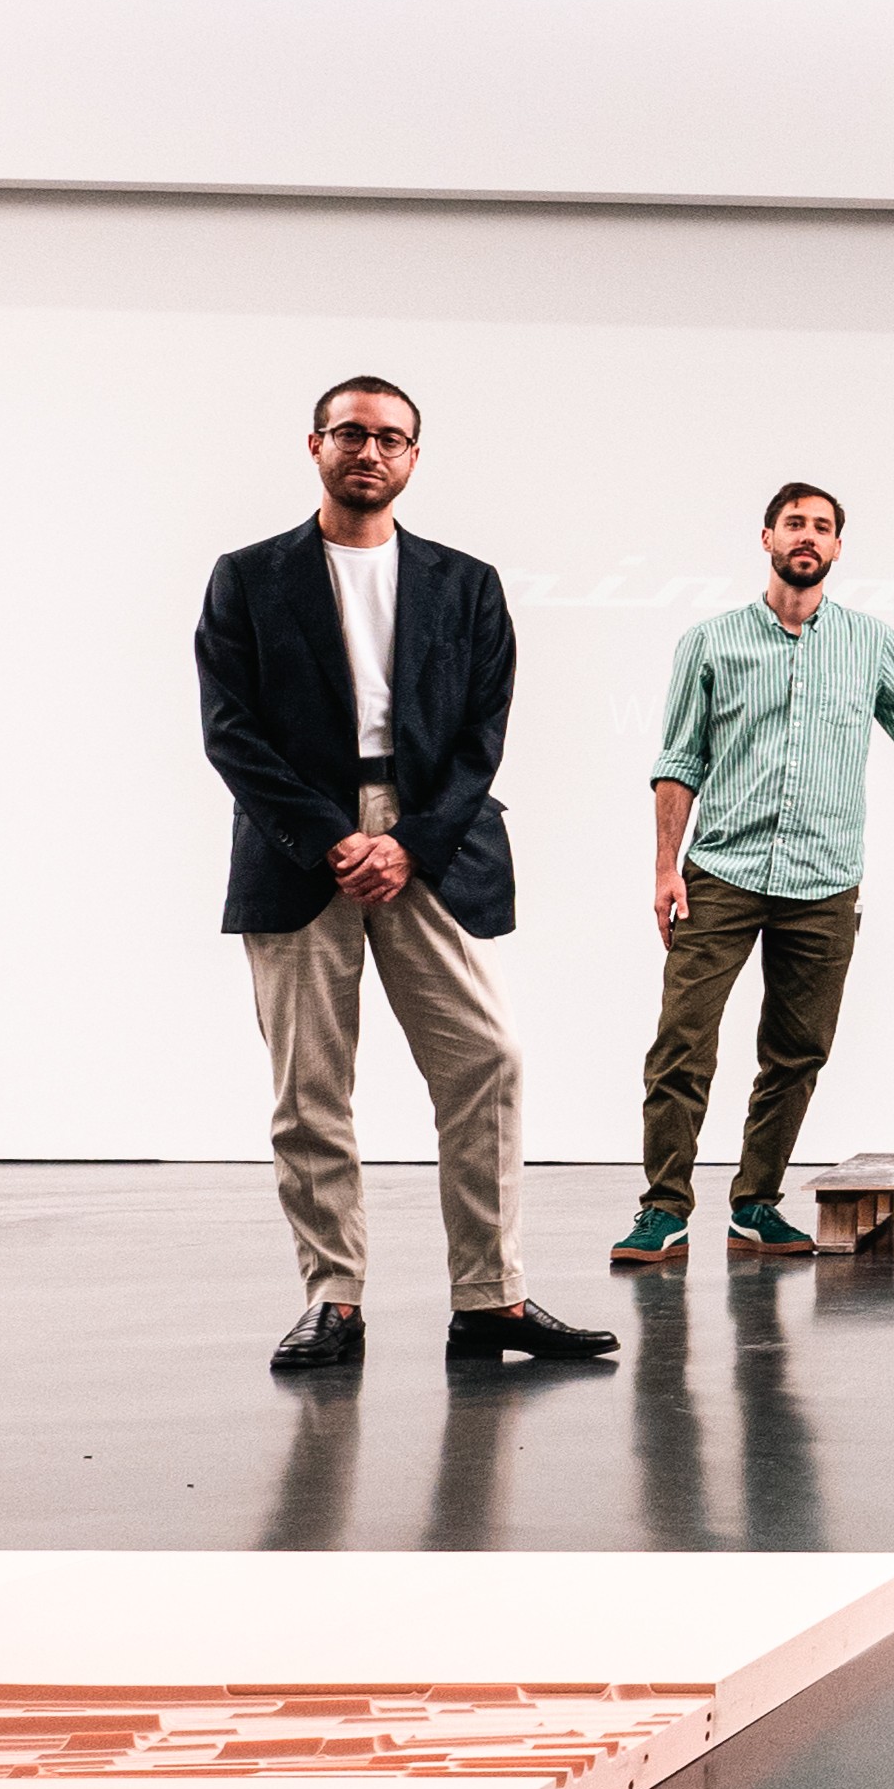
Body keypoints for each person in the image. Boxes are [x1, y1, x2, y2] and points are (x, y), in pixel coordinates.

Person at [195, 374, 608, 1372]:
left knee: (487, 1059)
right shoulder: (248, 577)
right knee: (310, 1086)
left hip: (431, 843)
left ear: (414, 456)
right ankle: (332, 1299)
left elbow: (483, 734)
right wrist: (331, 836)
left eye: (390, 438)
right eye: (351, 433)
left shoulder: (466, 583)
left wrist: (410, 842)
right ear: (316, 445)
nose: (369, 451)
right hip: (301, 844)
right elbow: (230, 729)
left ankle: (491, 1298)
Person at [621, 481, 894, 1273]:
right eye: (794, 523)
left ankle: (755, 1206)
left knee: (797, 1051)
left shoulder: (869, 643)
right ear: (767, 537)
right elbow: (679, 758)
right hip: (721, 871)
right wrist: (665, 867)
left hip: (823, 882)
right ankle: (662, 1209)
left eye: (822, 527)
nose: (808, 536)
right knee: (681, 1045)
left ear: (836, 547)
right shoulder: (711, 642)